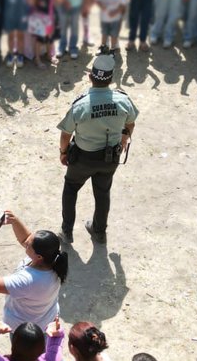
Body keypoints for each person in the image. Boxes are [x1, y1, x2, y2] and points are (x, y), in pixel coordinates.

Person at [57, 52, 138, 244]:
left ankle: (67, 232)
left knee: (71, 188)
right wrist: (124, 139)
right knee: (102, 192)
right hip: (111, 157)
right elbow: (131, 122)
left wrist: (63, 152)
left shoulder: (81, 105)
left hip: (83, 158)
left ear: (90, 76)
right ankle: (99, 232)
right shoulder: (123, 100)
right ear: (111, 78)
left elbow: (66, 134)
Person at [0, 211, 67, 330]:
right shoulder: (52, 260)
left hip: (25, 329)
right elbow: (26, 239)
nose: (26, 242)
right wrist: (15, 221)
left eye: (28, 245)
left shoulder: (28, 280)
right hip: (45, 320)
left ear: (39, 256)